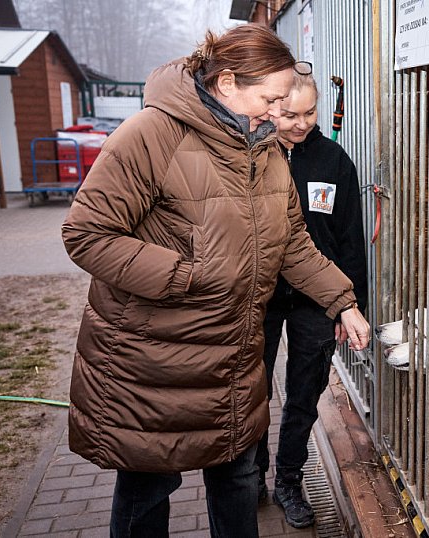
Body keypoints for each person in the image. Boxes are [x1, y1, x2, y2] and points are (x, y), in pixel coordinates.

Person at [60, 24, 369, 538]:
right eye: (270, 99)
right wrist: (188, 278)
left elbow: (292, 241)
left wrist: (342, 301)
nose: (277, 113)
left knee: (241, 478)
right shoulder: (151, 135)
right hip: (154, 362)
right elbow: (87, 234)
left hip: (232, 358)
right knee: (148, 491)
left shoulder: (264, 149)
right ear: (227, 83)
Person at [254, 71, 368, 528]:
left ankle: (288, 481)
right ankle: (250, 477)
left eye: (310, 113)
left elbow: (349, 239)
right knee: (251, 391)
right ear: (271, 107)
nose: (301, 124)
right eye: (289, 114)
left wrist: (350, 303)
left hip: (315, 299)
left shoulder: (333, 160)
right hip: (260, 295)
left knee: (304, 393)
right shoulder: (254, 156)